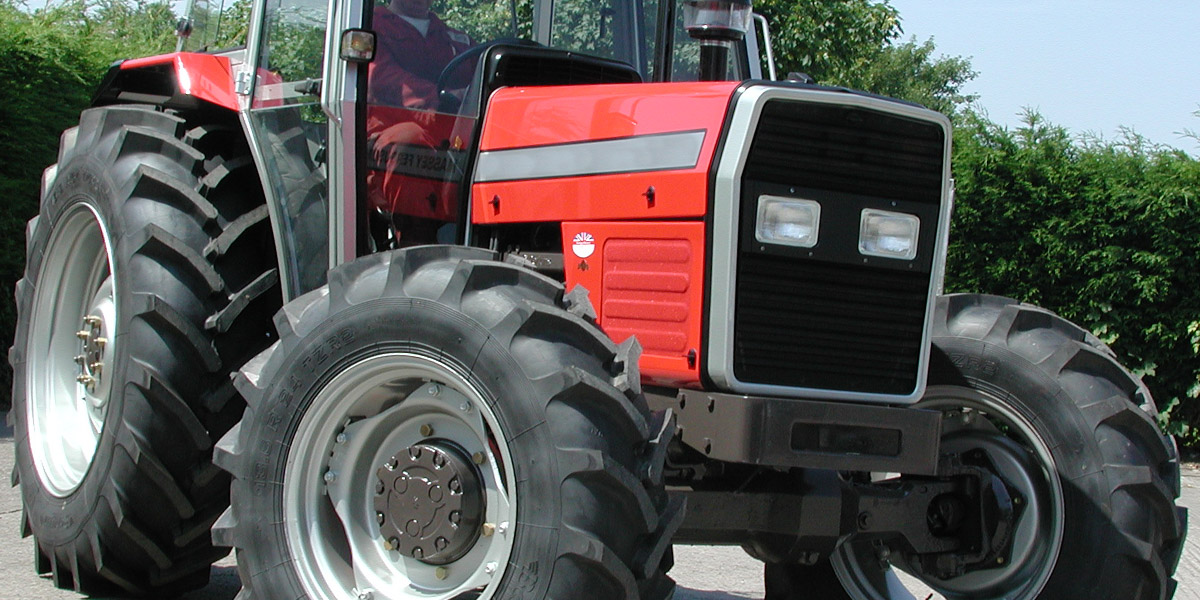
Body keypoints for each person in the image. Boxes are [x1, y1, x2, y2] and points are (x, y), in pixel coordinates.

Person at [368, 0, 473, 110]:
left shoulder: (459, 41)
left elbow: (486, 73)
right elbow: (379, 78)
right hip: (389, 122)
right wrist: (441, 97)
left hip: (457, 124)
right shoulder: (369, 27)